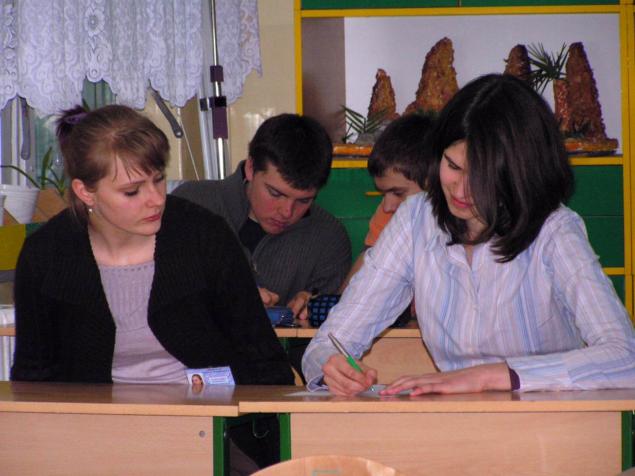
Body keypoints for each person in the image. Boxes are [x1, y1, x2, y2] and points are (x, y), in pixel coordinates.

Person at [302, 73, 635, 396]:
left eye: (482, 176)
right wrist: (331, 367)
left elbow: (625, 356)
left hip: (551, 423)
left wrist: (490, 376)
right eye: (453, 166)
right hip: (458, 421)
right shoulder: (416, 220)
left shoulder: (553, 229)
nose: (461, 190)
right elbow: (327, 345)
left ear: (520, 174)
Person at [10, 104, 294, 470]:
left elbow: (264, 362)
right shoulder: (46, 256)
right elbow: (32, 381)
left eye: (158, 180)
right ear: (85, 192)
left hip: (210, 430)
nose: (156, 199)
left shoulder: (204, 236)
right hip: (90, 436)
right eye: (132, 191)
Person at [173, 113, 351, 320]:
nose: (287, 212)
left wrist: (312, 308)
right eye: (275, 193)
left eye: (304, 201)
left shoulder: (329, 238)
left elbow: (329, 329)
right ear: (251, 168)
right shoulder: (190, 205)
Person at [339, 113, 434, 292]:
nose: (387, 206)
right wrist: (336, 303)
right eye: (383, 193)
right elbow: (366, 267)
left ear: (434, 183)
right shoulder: (387, 214)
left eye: (398, 193)